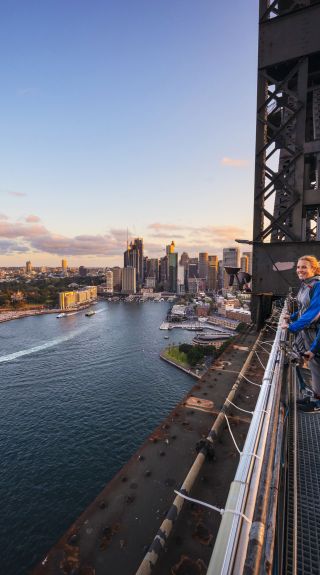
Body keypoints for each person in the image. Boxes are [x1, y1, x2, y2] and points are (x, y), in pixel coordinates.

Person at [282, 255, 320, 413]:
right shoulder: (306, 285)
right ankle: (314, 397)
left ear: (314, 269)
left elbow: (314, 312)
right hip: (307, 333)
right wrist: (291, 317)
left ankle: (317, 404)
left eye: (304, 267)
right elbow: (303, 308)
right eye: (298, 267)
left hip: (315, 333)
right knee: (314, 367)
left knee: (317, 367)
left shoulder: (317, 285)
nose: (300, 270)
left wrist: (291, 327)